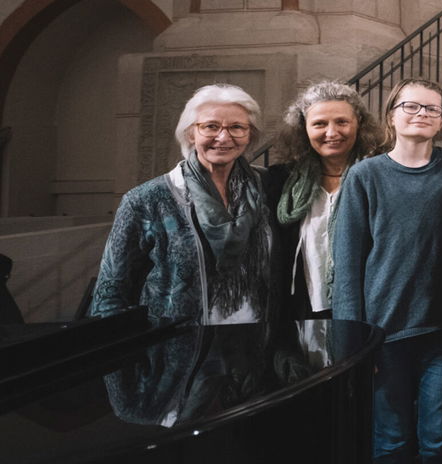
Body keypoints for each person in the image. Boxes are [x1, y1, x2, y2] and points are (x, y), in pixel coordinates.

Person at [333, 78, 442, 464]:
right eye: (412, 106)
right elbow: (348, 261)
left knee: (437, 438)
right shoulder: (365, 175)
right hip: (384, 335)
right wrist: (352, 339)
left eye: (432, 109)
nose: (421, 115)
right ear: (392, 113)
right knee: (390, 440)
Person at [91, 84, 271, 323]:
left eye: (237, 127)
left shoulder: (268, 188)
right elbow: (110, 292)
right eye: (210, 126)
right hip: (180, 347)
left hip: (255, 345)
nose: (224, 137)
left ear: (250, 135)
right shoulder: (147, 199)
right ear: (190, 133)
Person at [264, 81, 382, 320]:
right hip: (301, 310)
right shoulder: (281, 181)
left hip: (369, 308)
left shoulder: (380, 177)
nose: (331, 133)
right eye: (319, 124)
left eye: (342, 122)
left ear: (359, 125)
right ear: (303, 129)